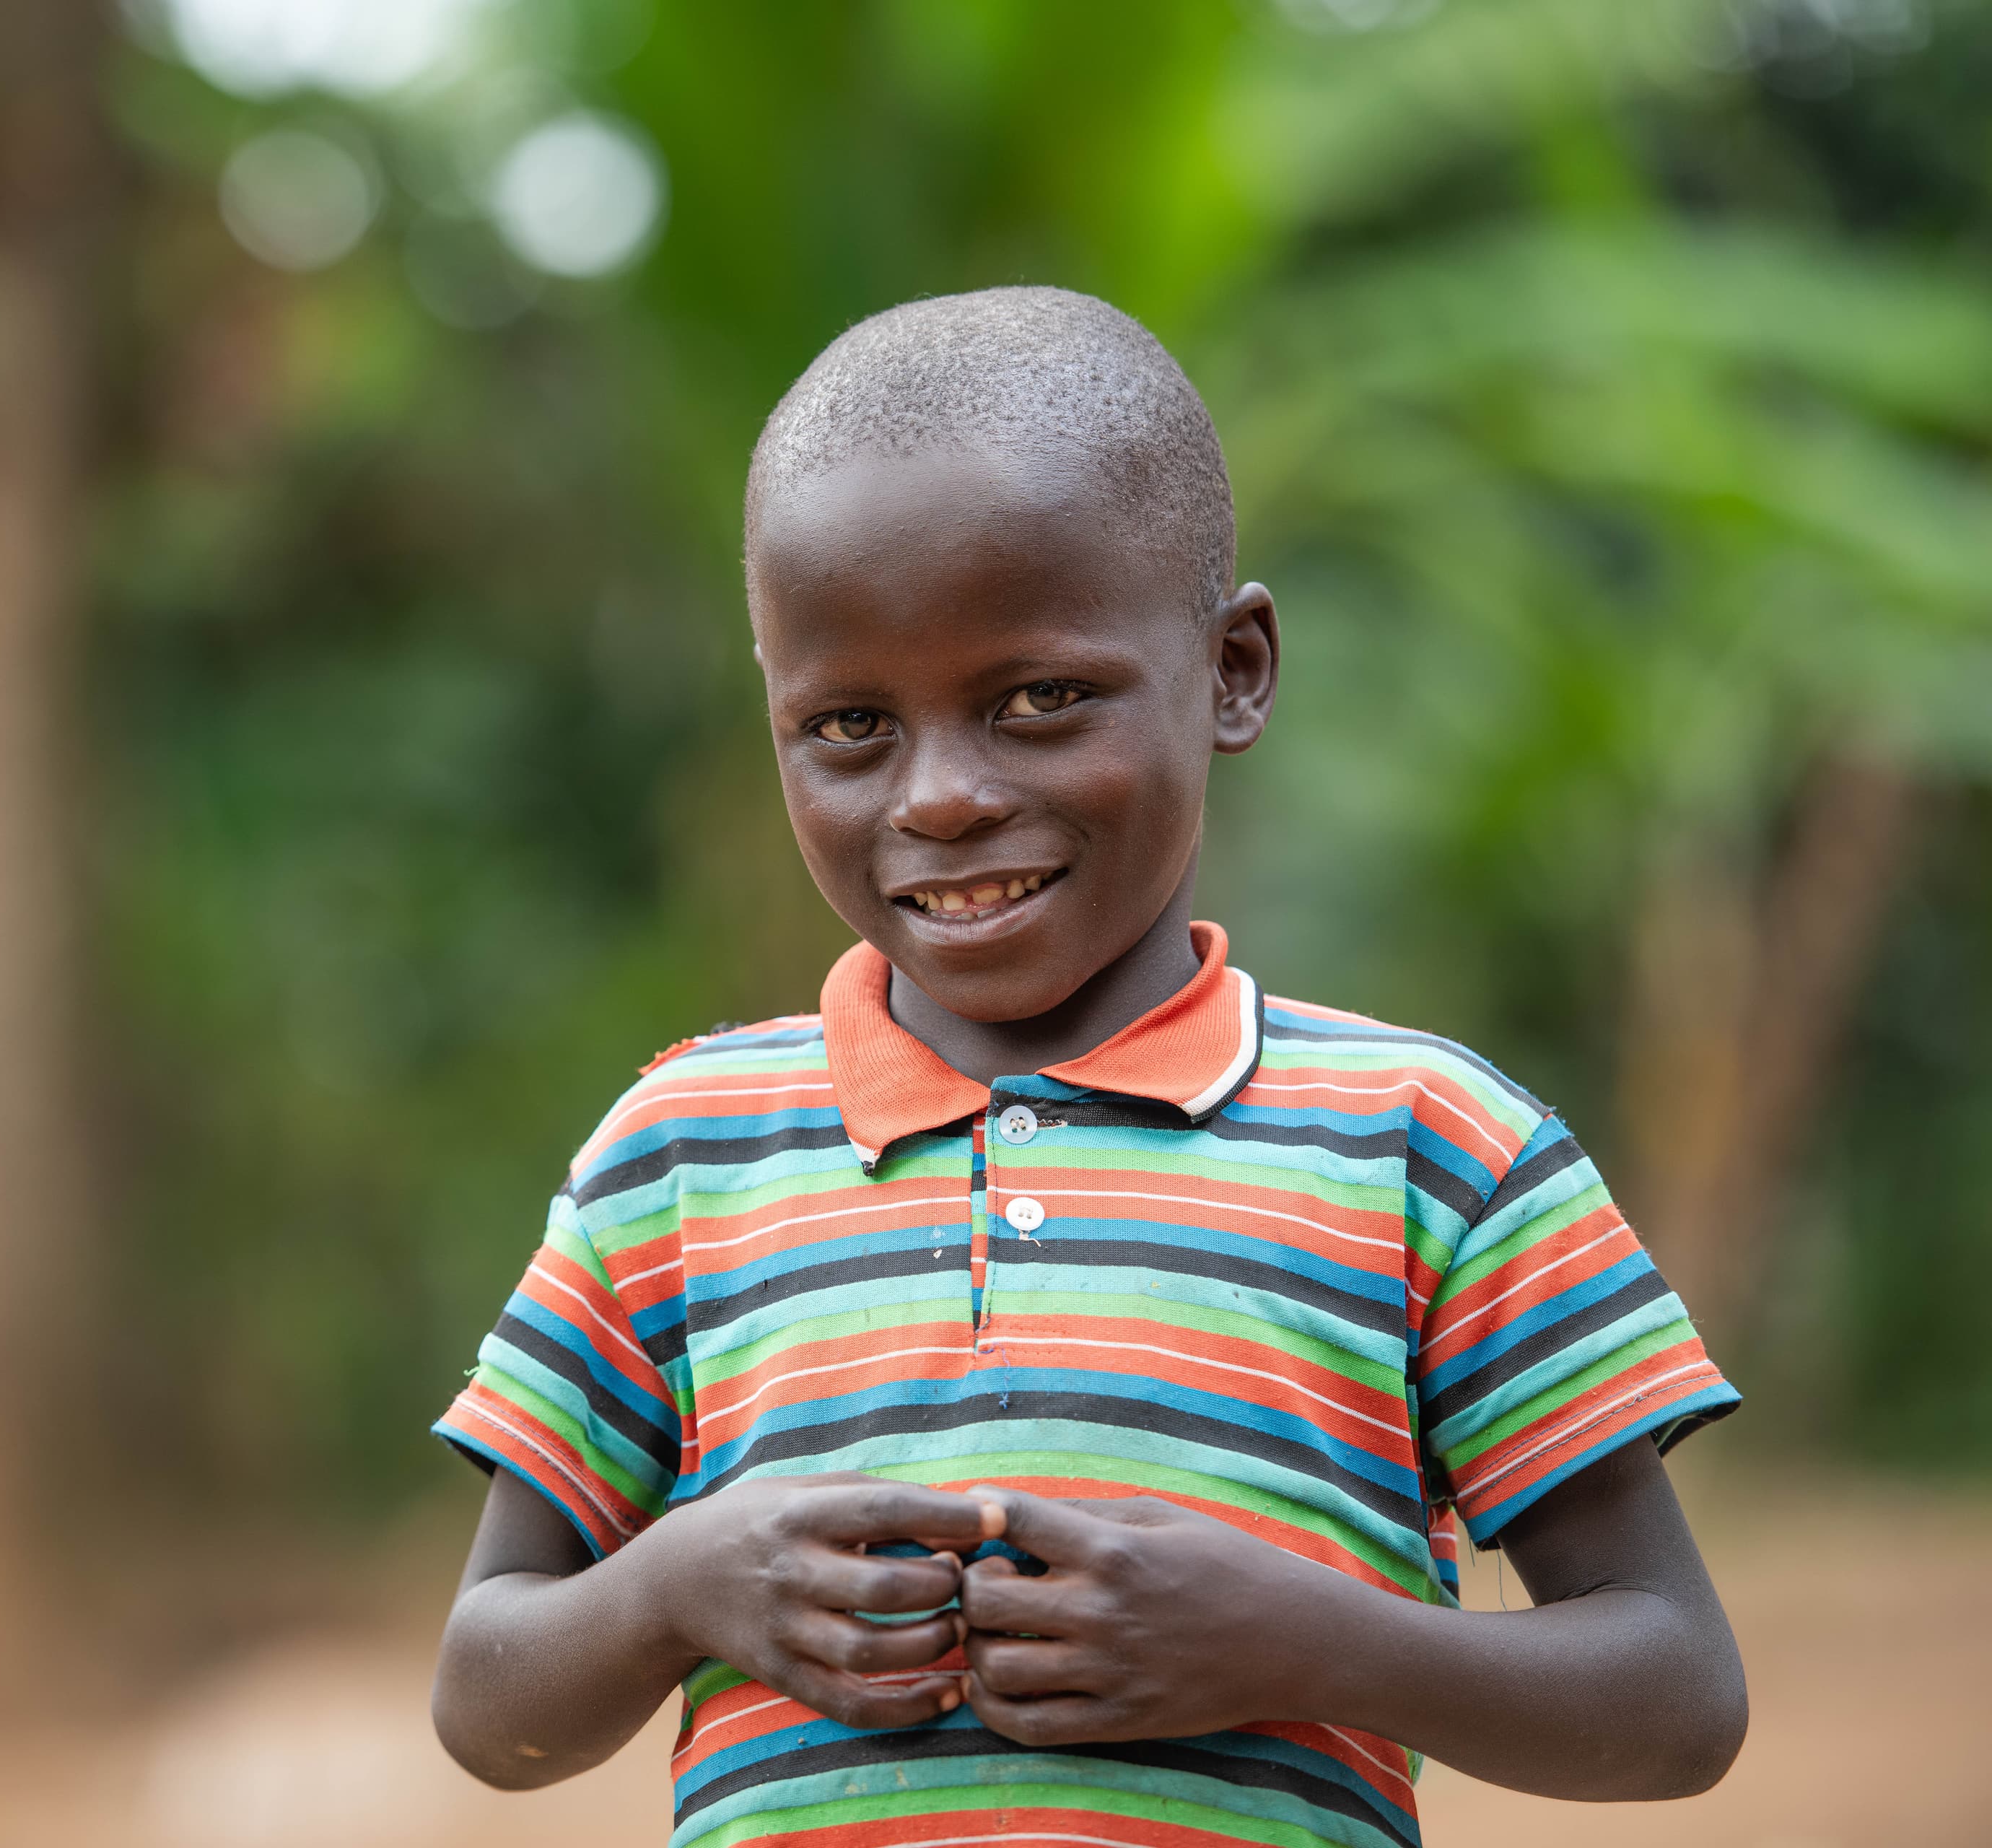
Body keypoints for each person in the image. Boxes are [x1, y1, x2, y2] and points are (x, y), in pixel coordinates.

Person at [427, 287, 1746, 1848]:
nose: (943, 796)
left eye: (1038, 698)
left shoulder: (1429, 1149)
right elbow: (489, 1698)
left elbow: (1673, 1696)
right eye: (849, 722)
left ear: (1235, 670)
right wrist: (679, 1581)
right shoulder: (682, 1155)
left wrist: (1305, 1636)